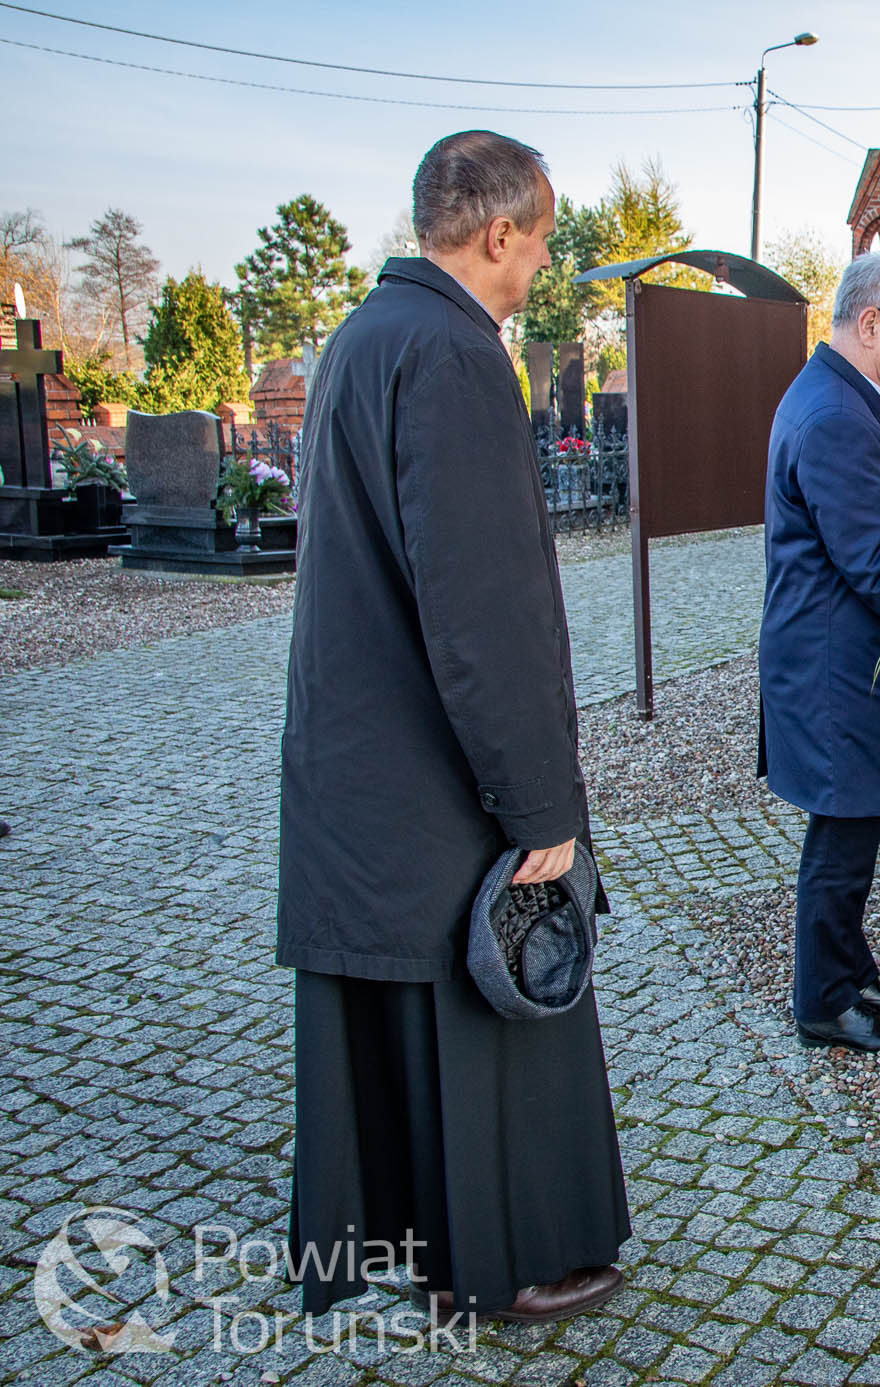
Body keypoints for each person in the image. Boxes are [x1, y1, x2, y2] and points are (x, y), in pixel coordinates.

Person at [276, 130, 628, 1324]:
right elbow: (485, 611)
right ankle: (503, 1256)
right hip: (434, 769)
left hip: (354, 753)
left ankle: (398, 1232)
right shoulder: (456, 353)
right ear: (497, 234)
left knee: (392, 1007)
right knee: (495, 1004)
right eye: (537, 243)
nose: (539, 267)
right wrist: (541, 808)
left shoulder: (362, 338)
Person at [760, 252, 880, 1055]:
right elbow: (878, 565)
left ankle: (852, 972)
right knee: (838, 842)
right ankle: (824, 1001)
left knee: (853, 832)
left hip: (840, 660)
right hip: (837, 669)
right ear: (871, 323)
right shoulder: (837, 415)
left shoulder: (841, 395)